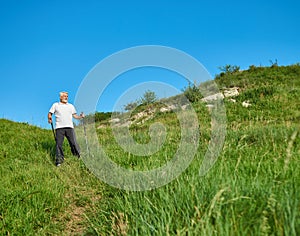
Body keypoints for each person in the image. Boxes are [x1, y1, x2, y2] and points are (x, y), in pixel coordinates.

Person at [48, 91, 84, 167]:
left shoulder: (70, 106)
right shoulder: (55, 105)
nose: (66, 97)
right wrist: (49, 117)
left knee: (73, 143)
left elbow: (75, 116)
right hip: (59, 128)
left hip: (69, 127)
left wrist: (80, 117)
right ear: (60, 97)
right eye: (64, 96)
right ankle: (59, 161)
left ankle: (78, 156)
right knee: (59, 144)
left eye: (67, 96)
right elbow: (50, 113)